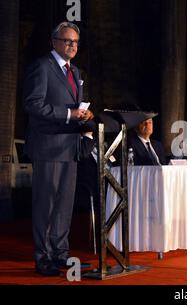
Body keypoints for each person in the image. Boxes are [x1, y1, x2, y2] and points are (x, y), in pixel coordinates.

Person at [23, 22, 94, 276]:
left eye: (75, 42)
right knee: (46, 205)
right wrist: (69, 113)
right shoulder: (42, 67)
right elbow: (33, 105)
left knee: (65, 205)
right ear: (54, 42)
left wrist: (83, 115)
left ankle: (60, 254)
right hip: (48, 147)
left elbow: (74, 107)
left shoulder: (75, 71)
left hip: (70, 147)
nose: (72, 46)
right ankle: (43, 258)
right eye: (67, 41)